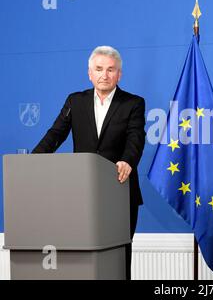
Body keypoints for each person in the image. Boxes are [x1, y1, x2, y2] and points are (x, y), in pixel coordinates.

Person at [32, 46, 146, 280]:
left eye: (111, 69)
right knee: (82, 254)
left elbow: (136, 138)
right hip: (82, 193)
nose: (105, 75)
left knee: (119, 255)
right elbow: (55, 134)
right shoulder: (76, 101)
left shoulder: (133, 103)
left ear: (119, 74)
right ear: (89, 73)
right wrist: (33, 162)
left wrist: (127, 161)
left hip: (120, 189)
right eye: (99, 69)